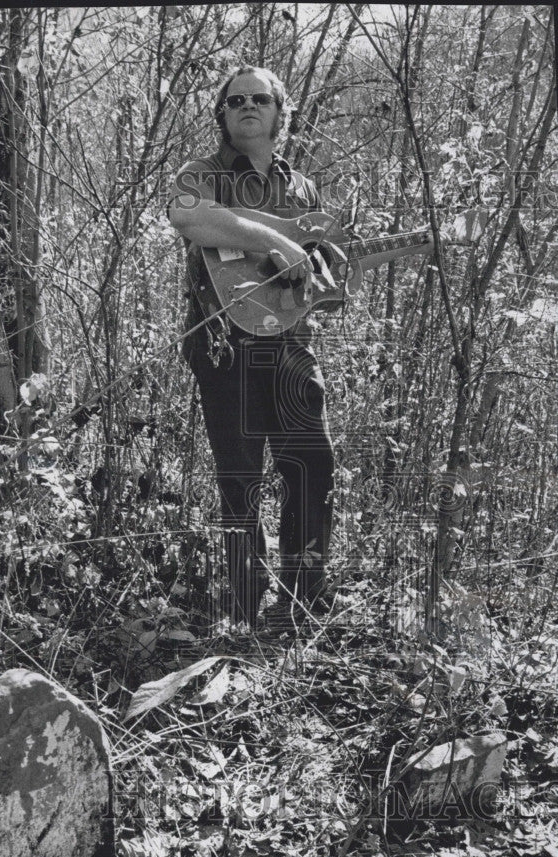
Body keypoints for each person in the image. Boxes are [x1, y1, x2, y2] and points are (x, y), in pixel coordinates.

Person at [168, 65, 336, 631]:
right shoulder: (204, 173)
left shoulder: (303, 186)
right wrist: (277, 241)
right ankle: (242, 606)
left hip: (291, 342)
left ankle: (302, 601)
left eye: (259, 98)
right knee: (239, 478)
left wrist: (324, 274)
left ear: (278, 112)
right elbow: (189, 216)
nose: (246, 106)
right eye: (234, 99)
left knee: (311, 465)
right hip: (223, 342)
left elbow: (314, 278)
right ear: (221, 113)